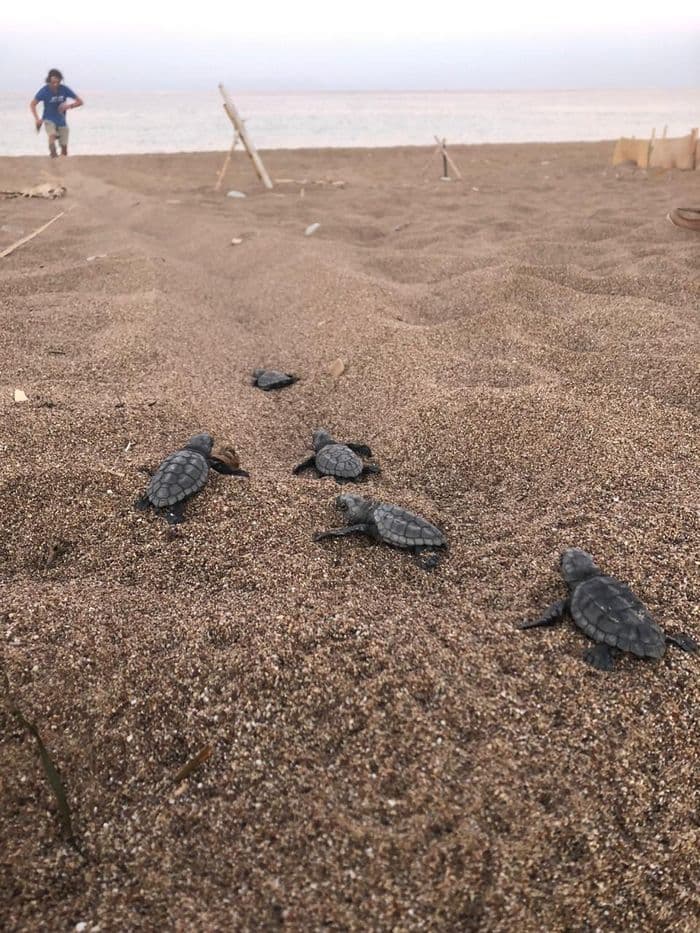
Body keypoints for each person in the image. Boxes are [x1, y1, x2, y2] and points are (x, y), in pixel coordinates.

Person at [30, 69, 83, 158]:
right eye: (53, 82)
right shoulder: (44, 91)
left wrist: (69, 106)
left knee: (64, 149)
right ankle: (53, 156)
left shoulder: (64, 89)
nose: (55, 85)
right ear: (49, 80)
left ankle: (61, 161)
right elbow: (32, 104)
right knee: (52, 135)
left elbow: (80, 102)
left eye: (58, 82)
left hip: (62, 121)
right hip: (48, 119)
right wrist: (37, 119)